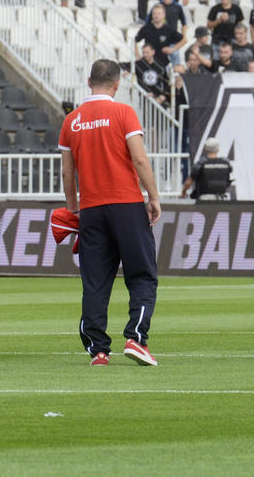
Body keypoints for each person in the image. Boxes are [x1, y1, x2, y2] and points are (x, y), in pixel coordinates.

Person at [59, 59, 162, 367]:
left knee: (95, 281)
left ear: (89, 80)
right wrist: (153, 197)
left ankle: (98, 349)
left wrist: (73, 207)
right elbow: (140, 159)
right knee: (142, 274)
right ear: (117, 84)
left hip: (91, 208)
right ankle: (136, 338)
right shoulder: (123, 112)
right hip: (126, 205)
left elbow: (67, 172)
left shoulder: (72, 120)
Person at [136, 3, 184, 68]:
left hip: (163, 63)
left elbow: (184, 40)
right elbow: (135, 41)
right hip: (148, 63)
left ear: (164, 15)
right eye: (154, 13)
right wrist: (137, 55)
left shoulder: (169, 30)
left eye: (158, 13)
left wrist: (172, 49)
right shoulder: (146, 29)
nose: (156, 15)